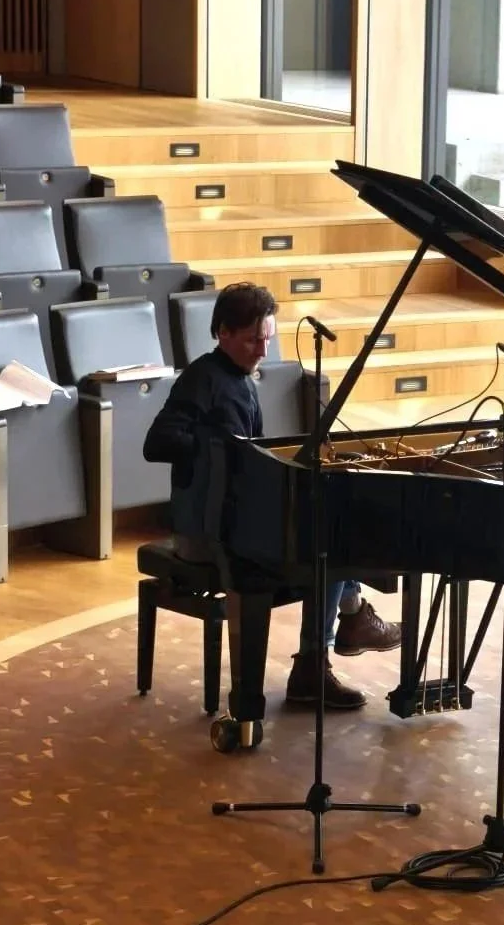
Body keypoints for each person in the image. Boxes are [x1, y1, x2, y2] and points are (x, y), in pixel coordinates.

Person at [144, 280, 400, 710]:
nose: (263, 351)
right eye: (252, 340)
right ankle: (334, 638)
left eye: (267, 339)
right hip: (204, 532)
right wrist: (217, 448)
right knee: (326, 543)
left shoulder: (241, 379)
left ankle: (327, 647)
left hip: (232, 520)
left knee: (329, 528)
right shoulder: (202, 379)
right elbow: (157, 443)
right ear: (223, 332)